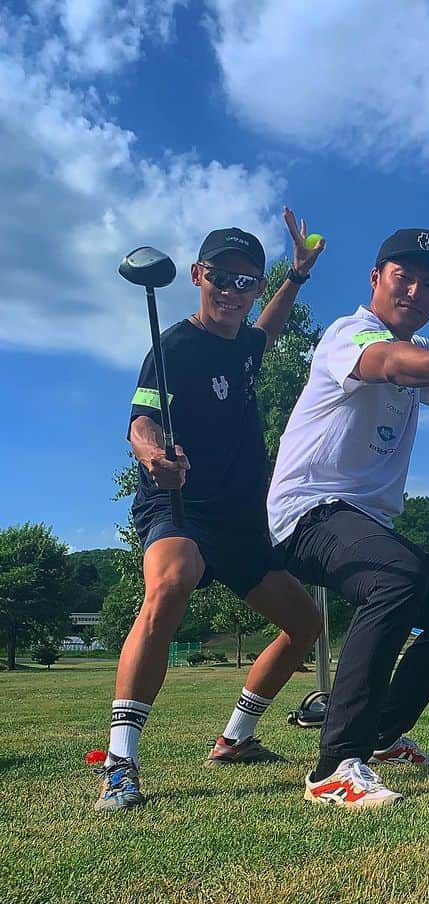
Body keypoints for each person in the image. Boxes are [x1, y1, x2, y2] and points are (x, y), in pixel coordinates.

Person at [267, 228, 429, 810]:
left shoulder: (424, 349)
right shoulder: (348, 333)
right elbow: (385, 362)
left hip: (364, 523)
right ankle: (335, 766)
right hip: (307, 512)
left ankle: (381, 737)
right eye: (403, 277)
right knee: (396, 580)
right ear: (376, 279)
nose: (415, 290)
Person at [94, 210, 326, 812]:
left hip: (240, 517)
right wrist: (153, 456)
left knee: (305, 624)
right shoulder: (174, 347)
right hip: (180, 504)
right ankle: (121, 760)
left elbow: (266, 334)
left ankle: (235, 739)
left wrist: (295, 278)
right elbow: (139, 421)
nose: (232, 292)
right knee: (172, 581)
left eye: (246, 282)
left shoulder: (245, 342)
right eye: (221, 278)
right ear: (198, 275)